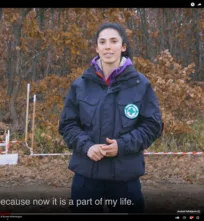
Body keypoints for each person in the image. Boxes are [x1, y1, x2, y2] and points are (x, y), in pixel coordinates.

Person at [58, 22, 163, 213]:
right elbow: (68, 124)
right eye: (103, 42)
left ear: (123, 46)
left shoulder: (140, 84)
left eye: (114, 41)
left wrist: (122, 146)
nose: (108, 46)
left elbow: (152, 125)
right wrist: (87, 146)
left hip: (125, 179)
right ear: (96, 48)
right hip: (86, 177)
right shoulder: (80, 85)